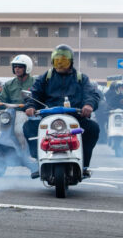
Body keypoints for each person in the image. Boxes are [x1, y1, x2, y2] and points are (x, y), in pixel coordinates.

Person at [23, 44, 101, 177]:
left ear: (70, 62)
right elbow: (34, 94)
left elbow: (91, 94)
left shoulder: (81, 78)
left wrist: (89, 105)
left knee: (93, 128)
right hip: (48, 118)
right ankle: (38, 160)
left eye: (63, 61)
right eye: (57, 60)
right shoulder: (45, 78)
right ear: (53, 61)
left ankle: (84, 164)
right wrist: (31, 106)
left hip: (75, 118)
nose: (60, 64)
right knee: (28, 126)